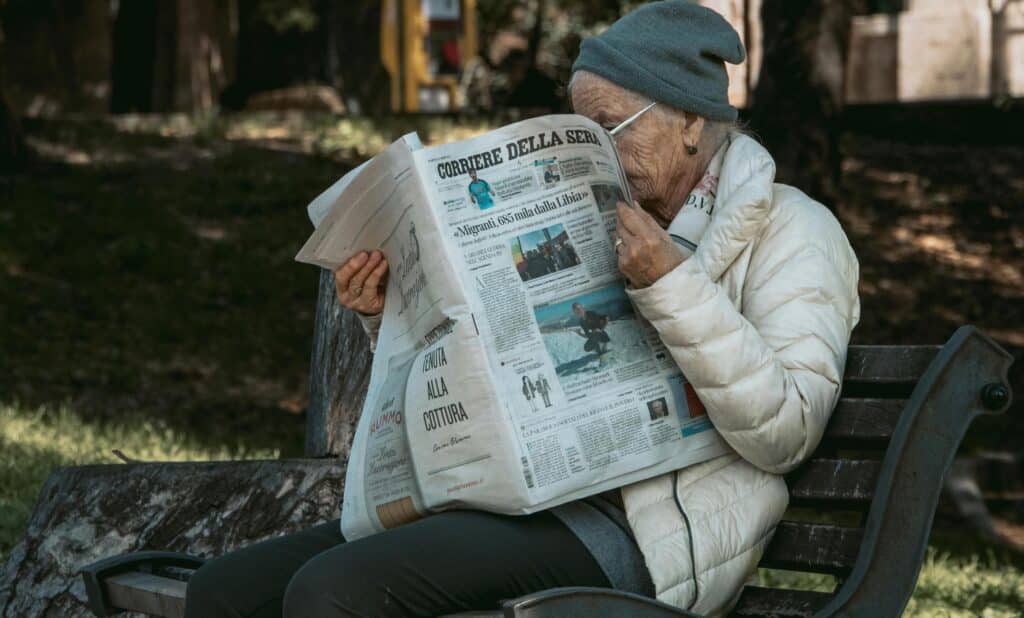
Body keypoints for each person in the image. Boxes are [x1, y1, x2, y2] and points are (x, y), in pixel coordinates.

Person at [184, 3, 860, 616]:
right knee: (224, 594)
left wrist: (672, 284)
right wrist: (388, 312)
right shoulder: (602, 214)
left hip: (638, 532)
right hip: (505, 493)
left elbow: (786, 432)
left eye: (607, 127)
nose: (593, 149)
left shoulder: (796, 232)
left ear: (688, 122)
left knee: (329, 596)